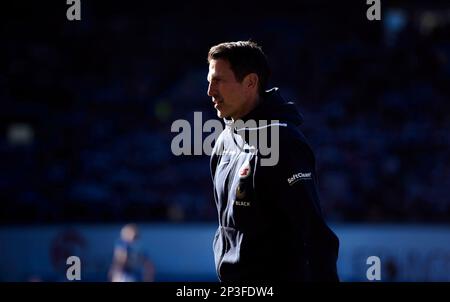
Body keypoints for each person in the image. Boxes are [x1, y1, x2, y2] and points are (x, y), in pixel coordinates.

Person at [207, 41, 340, 281]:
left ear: (250, 82)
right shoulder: (223, 141)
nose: (210, 91)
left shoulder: (283, 141)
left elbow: (313, 235)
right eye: (209, 81)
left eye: (218, 81)